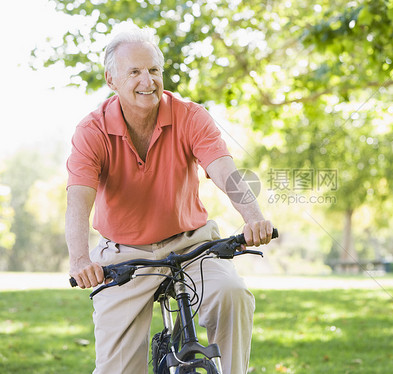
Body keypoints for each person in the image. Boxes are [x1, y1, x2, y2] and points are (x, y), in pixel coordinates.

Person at [65, 25, 273, 374]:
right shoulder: (92, 131)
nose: (147, 81)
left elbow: (225, 171)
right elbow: (78, 201)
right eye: (134, 72)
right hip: (124, 253)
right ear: (111, 80)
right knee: (117, 369)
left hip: (192, 244)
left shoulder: (190, 115)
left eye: (154, 70)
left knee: (233, 294)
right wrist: (80, 259)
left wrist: (253, 216)